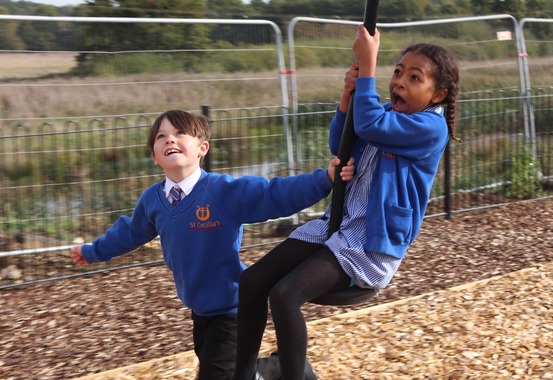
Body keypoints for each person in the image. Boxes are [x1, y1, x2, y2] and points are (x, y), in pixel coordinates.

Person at [232, 24, 460, 380]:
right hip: (337, 224)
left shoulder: (431, 128)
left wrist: (368, 64)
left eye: (415, 78)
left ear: (438, 94)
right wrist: (348, 95)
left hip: (371, 242)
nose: (399, 81)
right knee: (252, 282)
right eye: (397, 71)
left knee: (285, 295)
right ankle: (242, 374)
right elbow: (342, 141)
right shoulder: (386, 113)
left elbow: (368, 125)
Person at [70, 109, 355, 380]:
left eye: (180, 133)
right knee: (231, 373)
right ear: (155, 156)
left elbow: (273, 194)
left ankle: (280, 365)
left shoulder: (222, 191)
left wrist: (324, 180)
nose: (170, 138)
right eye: (161, 136)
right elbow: (129, 233)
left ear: (202, 149)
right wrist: (91, 251)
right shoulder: (152, 201)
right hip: (200, 312)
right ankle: (277, 365)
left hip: (234, 310)